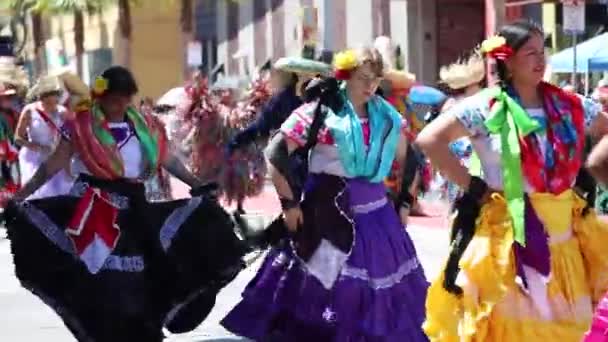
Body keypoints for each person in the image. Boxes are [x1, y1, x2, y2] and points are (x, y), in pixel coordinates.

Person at [3, 66, 248, 341]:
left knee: (149, 276)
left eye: (124, 98)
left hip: (135, 209)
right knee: (102, 283)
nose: (119, 105)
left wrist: (196, 184)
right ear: (101, 96)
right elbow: (51, 166)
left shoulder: (146, 126)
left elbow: (168, 161)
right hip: (93, 209)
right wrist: (21, 196)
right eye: (113, 98)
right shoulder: (81, 126)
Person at [417, 21, 608, 341]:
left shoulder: (569, 105)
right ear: (507, 60)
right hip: (508, 242)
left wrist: (597, 167)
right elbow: (429, 140)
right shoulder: (485, 106)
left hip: (564, 241)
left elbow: (605, 128)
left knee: (569, 331)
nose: (540, 60)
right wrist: (474, 186)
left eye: (542, 52)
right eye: (530, 53)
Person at [222, 47, 429, 341]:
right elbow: (275, 152)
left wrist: (405, 202)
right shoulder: (319, 113)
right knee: (321, 291)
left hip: (377, 218)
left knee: (379, 296)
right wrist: (289, 203)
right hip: (326, 213)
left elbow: (411, 159)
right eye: (362, 78)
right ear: (344, 76)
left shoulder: (387, 119)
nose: (371, 86)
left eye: (375, 79)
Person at [15, 75, 74, 199]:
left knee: (60, 195)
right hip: (33, 159)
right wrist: (34, 146)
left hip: (55, 157)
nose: (52, 106)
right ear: (40, 99)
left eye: (55, 102)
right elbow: (17, 138)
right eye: (48, 103)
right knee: (39, 196)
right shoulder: (29, 111)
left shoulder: (62, 112)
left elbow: (71, 138)